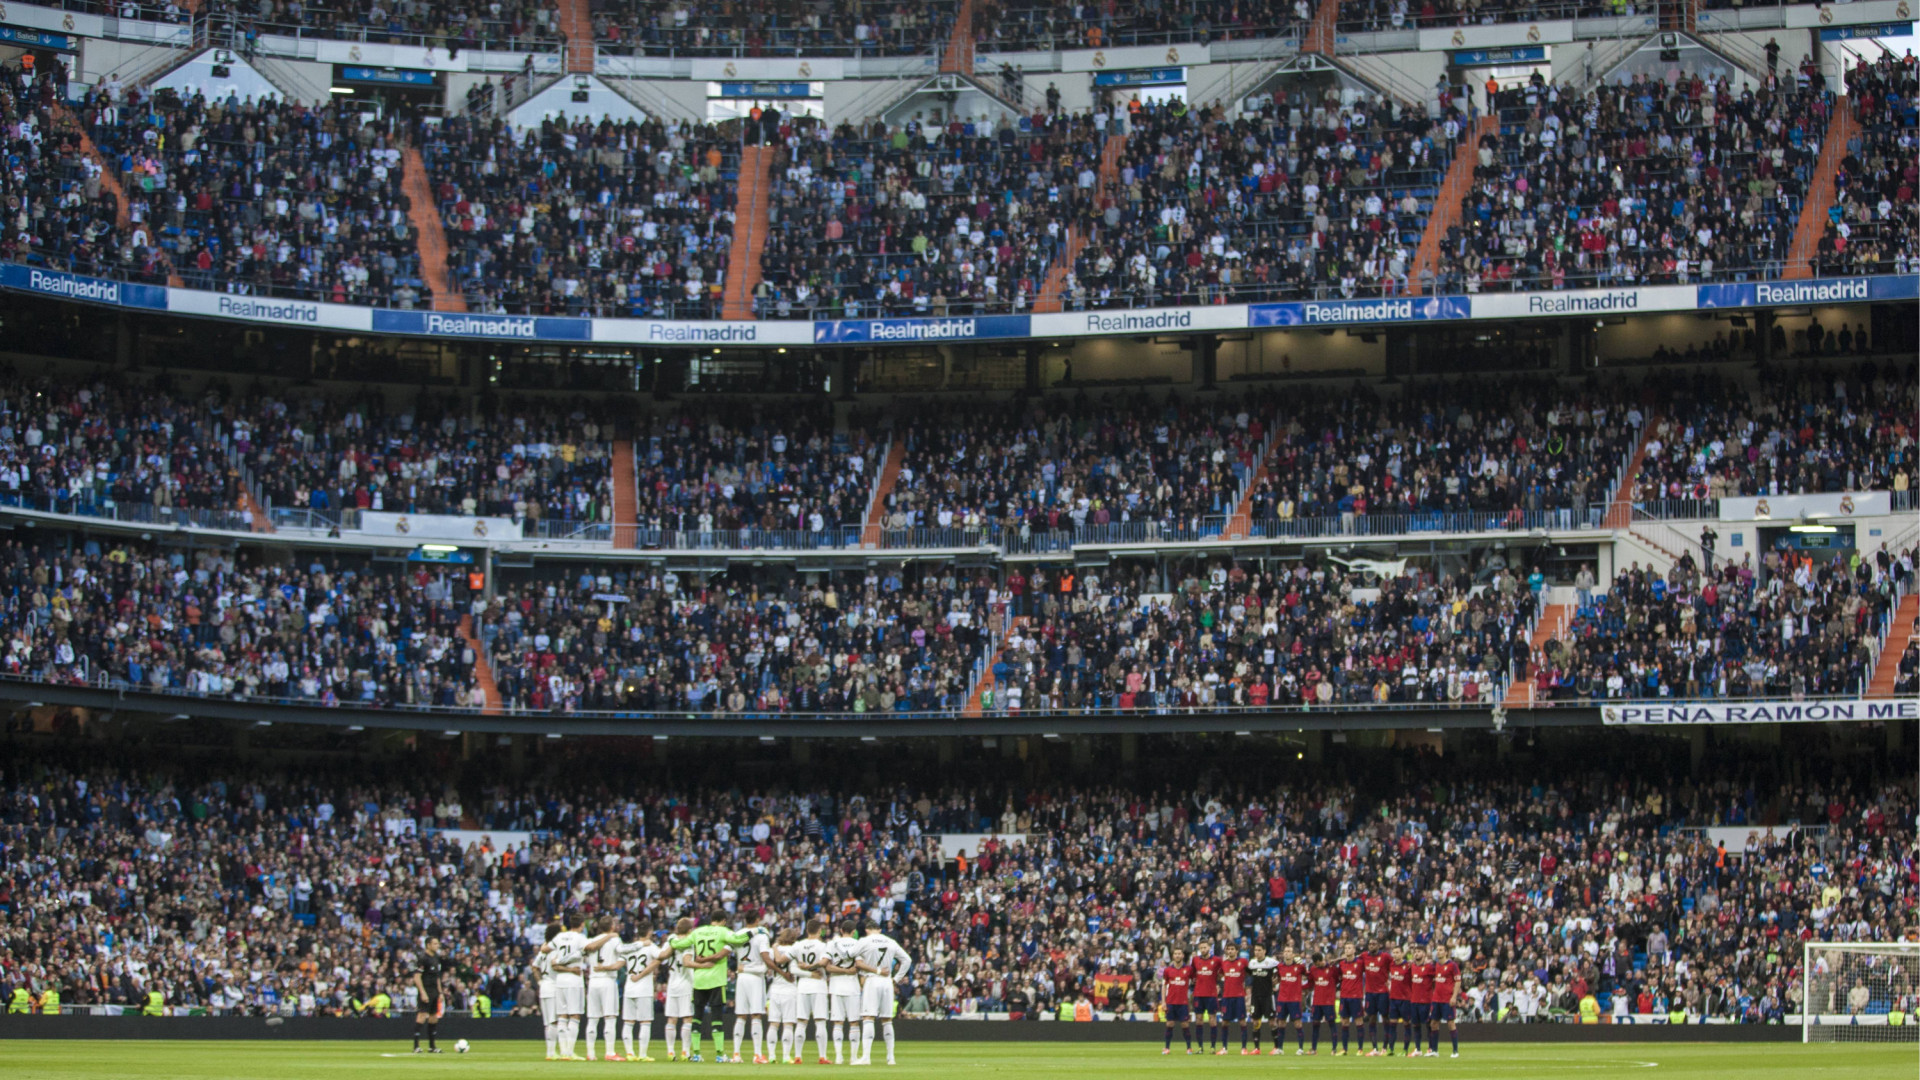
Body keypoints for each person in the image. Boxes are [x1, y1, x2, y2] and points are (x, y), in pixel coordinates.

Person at [851, 923, 912, 1065]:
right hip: (887, 981)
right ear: (879, 930)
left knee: (868, 1017)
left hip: (872, 980)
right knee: (887, 1019)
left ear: (867, 930)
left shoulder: (864, 941)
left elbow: (851, 953)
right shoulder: (890, 941)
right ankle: (891, 1058)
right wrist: (896, 979)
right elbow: (907, 960)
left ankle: (866, 1057)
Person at [618, 922, 668, 1062]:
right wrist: (670, 943)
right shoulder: (650, 946)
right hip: (643, 988)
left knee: (628, 1022)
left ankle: (629, 1053)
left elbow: (620, 962)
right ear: (649, 932)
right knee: (645, 1022)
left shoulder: (630, 947)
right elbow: (662, 956)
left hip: (629, 987)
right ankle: (642, 1054)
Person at [788, 918, 835, 1064]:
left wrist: (806, 971)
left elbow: (792, 968)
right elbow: (824, 963)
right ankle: (822, 1056)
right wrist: (811, 971)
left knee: (801, 1022)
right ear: (819, 930)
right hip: (819, 986)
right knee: (820, 1021)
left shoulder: (798, 945)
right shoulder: (823, 946)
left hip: (802, 986)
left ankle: (797, 1056)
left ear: (806, 930)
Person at [731, 920, 776, 1063]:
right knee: (756, 1015)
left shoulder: (738, 934)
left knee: (741, 1015)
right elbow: (765, 958)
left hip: (742, 977)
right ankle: (757, 1054)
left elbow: (728, 949)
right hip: (756, 978)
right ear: (757, 920)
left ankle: (736, 1054)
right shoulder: (762, 936)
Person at [549, 915, 592, 1061]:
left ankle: (563, 1052)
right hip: (574, 981)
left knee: (562, 1016)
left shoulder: (559, 937)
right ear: (581, 924)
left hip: (560, 980)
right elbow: (590, 948)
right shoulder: (580, 938)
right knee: (574, 1015)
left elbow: (550, 958)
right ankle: (570, 1051)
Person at [825, 919, 865, 1064]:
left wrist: (842, 970)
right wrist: (849, 971)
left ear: (841, 930)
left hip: (835, 986)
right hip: (852, 987)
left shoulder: (832, 944)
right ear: (854, 932)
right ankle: (853, 1057)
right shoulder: (857, 944)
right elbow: (860, 965)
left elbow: (827, 967)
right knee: (854, 1022)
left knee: (838, 1022)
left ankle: (838, 1057)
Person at [584, 915, 624, 1059]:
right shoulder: (615, 940)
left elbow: (588, 948)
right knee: (610, 1017)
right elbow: (622, 956)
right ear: (612, 927)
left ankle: (590, 1053)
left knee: (593, 1019)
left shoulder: (592, 940)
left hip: (593, 981)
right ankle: (610, 1052)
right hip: (607, 980)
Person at [662, 917, 699, 1061]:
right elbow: (687, 962)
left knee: (672, 1018)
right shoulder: (689, 943)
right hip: (685, 984)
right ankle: (685, 1052)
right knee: (687, 1018)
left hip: (672, 983)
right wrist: (703, 965)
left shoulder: (671, 939)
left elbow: (663, 955)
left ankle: (670, 1052)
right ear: (690, 930)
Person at [766, 929, 803, 1064]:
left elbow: (769, 965)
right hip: (790, 990)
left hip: (774, 989)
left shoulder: (773, 950)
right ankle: (786, 1056)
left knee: (773, 1024)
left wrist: (775, 947)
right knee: (788, 1024)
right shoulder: (795, 949)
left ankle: (771, 1055)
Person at [412, 937, 448, 1054]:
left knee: (433, 1017)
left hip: (434, 991)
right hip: (426, 989)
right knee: (422, 1015)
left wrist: (440, 992)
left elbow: (437, 977)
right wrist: (422, 992)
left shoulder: (436, 958)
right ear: (428, 945)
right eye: (435, 943)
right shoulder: (423, 958)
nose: (437, 945)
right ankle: (416, 1046)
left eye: (438, 943)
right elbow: (417, 977)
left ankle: (432, 1046)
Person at [1159, 947, 1195, 1055]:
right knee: (1169, 1024)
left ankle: (1189, 1048)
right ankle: (1166, 1048)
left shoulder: (1188, 969)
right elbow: (1164, 986)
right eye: (1176, 954)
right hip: (1170, 1002)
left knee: (1185, 1025)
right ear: (1173, 956)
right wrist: (1163, 1002)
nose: (1178, 955)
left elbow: (1195, 980)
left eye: (1179, 953)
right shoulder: (1168, 970)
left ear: (1183, 956)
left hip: (1183, 1002)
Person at [1245, 944, 1278, 1053]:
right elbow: (1249, 975)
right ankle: (1256, 1048)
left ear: (1264, 951)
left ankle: (1276, 1047)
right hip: (1255, 996)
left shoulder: (1271, 962)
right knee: (1255, 1022)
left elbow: (1280, 970)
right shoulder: (1252, 963)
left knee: (1272, 1022)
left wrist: (1277, 980)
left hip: (1268, 996)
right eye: (1255, 950)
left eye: (1259, 950)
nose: (1257, 952)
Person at [1217, 942, 1249, 1054]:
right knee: (1225, 1022)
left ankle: (1244, 1048)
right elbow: (1220, 974)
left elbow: (1250, 973)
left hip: (1239, 996)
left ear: (1236, 951)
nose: (1230, 951)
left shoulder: (1243, 962)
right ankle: (1224, 1048)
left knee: (1242, 1022)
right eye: (1228, 949)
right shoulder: (1224, 963)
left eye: (1232, 949)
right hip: (1226, 996)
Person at [1430, 947, 1462, 1058]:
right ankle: (1434, 1050)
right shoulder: (1436, 966)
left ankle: (1455, 1051)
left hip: (1447, 999)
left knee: (1450, 1023)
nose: (1438, 952)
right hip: (1436, 999)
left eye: (1440, 950)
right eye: (1437, 950)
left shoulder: (1452, 965)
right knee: (1434, 1023)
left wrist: (1454, 996)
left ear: (1446, 952)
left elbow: (1458, 981)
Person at [534, 923, 560, 1060]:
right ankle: (551, 1052)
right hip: (553, 986)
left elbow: (534, 967)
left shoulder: (543, 949)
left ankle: (550, 1051)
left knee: (547, 1023)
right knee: (553, 1021)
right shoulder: (554, 949)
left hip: (544, 986)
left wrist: (539, 982)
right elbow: (555, 966)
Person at [1189, 940, 1221, 1051]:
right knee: (1198, 1019)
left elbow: (1222, 972)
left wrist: (1219, 983)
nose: (1203, 949)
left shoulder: (1216, 960)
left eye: (1205, 947)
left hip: (1211, 994)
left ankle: (1213, 1046)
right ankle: (1200, 1046)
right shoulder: (1195, 960)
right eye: (1201, 948)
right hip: (1198, 994)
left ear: (1209, 948)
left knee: (1212, 1020)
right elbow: (1192, 974)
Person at [1362, 941, 1392, 1055]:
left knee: (1385, 1018)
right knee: (1372, 1018)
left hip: (1383, 992)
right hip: (1370, 993)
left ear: (1379, 945)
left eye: (1374, 944)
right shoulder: (1364, 956)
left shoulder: (1385, 956)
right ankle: (1375, 1047)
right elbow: (1350, 958)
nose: (1371, 946)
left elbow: (1395, 965)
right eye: (1369, 944)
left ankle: (1385, 1046)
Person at [1275, 947, 1307, 1054]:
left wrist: (1302, 963)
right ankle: (1280, 1048)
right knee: (1281, 1023)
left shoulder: (1299, 967)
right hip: (1282, 999)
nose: (1287, 953)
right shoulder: (1280, 967)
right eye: (1285, 951)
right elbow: (1276, 979)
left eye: (1289, 951)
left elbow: (1306, 973)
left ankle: (1301, 1048)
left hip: (1294, 999)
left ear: (1293, 955)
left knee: (1297, 1023)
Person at [1337, 942, 1365, 1055]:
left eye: (1349, 948)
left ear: (1354, 950)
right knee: (1344, 1022)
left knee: (1358, 1021)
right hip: (1344, 997)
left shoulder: (1359, 963)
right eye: (1346, 948)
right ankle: (1344, 1049)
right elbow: (1339, 977)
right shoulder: (1342, 964)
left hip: (1356, 997)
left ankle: (1360, 1049)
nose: (1347, 950)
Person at [1408, 946, 1436, 1057]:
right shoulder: (1412, 967)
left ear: (1424, 954)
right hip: (1414, 1000)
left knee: (1428, 1025)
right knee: (1416, 1025)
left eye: (1419, 952)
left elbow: (1435, 981)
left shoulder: (1430, 967)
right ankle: (1418, 1049)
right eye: (1415, 952)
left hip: (1426, 1001)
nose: (1416, 954)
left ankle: (1430, 1048)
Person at [1386, 947, 1412, 1053]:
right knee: (1392, 1023)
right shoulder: (1391, 965)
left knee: (1406, 1023)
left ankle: (1405, 1049)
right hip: (1393, 998)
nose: (1395, 955)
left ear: (1402, 954)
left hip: (1405, 999)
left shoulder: (1408, 966)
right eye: (1394, 952)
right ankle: (1391, 1048)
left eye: (1397, 952)